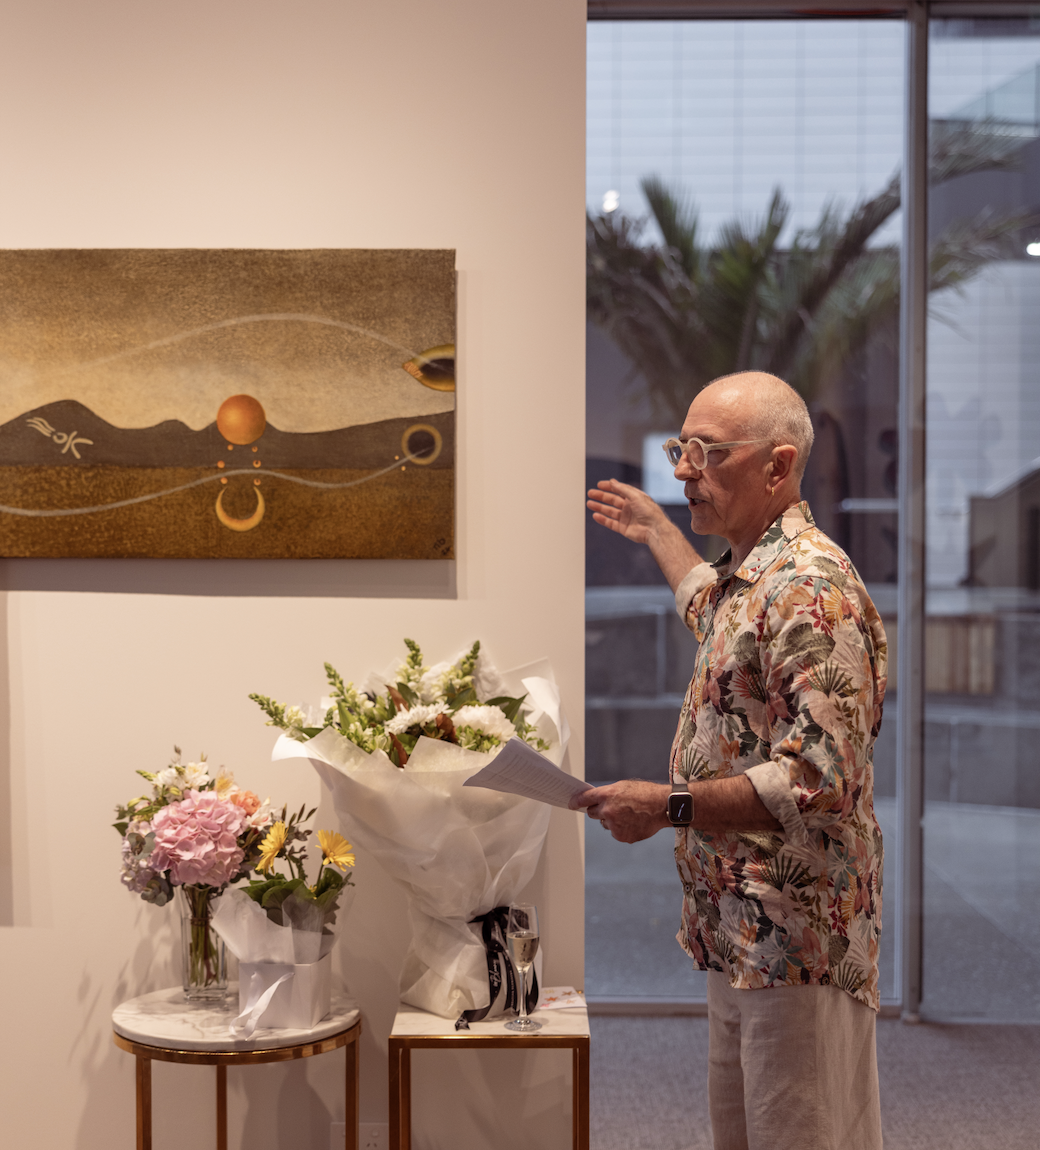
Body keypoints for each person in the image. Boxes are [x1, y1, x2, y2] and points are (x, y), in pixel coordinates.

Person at [573, 371, 886, 1150]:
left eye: (708, 452)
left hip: (796, 940)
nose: (684, 470)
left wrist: (666, 806)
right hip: (742, 930)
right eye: (681, 449)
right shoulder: (754, 575)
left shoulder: (810, 588)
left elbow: (818, 780)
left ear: (778, 467)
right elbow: (709, 608)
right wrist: (655, 530)